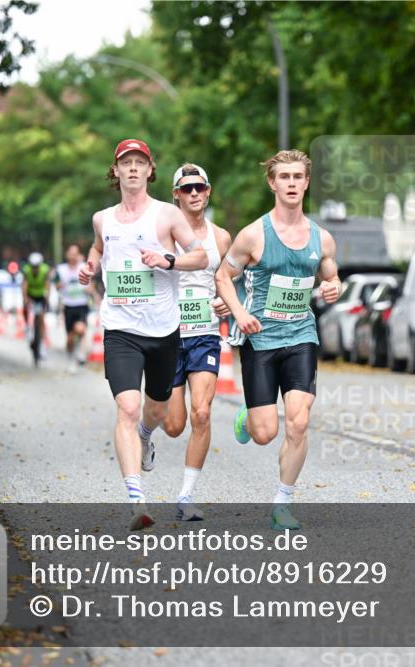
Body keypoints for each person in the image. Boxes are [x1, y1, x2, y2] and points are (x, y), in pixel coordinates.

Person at [78, 138, 207, 531]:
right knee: (127, 409)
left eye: (140, 163)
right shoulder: (103, 218)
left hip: (164, 329)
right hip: (120, 328)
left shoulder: (167, 215)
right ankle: (137, 500)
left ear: (150, 171)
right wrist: (90, 265)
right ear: (115, 172)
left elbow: (200, 255)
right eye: (125, 163)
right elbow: (99, 248)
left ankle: (146, 437)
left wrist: (167, 259)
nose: (132, 169)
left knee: (154, 411)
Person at [213, 149, 341, 531]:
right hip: (260, 340)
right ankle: (249, 417)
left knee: (298, 423)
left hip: (302, 335)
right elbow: (223, 277)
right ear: (272, 182)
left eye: (297, 177)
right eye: (283, 177)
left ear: (306, 182)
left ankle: (282, 503)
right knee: (266, 432)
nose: (290, 183)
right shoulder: (254, 235)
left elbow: (332, 277)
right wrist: (239, 313)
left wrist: (334, 287)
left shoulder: (322, 238)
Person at [155, 163, 231, 522]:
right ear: (176, 195)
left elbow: (226, 280)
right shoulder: (162, 235)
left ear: (209, 191)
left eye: (200, 187)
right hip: (169, 335)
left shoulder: (222, 238)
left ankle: (186, 496)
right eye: (187, 189)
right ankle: (142, 431)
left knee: (202, 413)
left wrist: (224, 302)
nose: (194, 193)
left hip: (204, 334)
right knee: (172, 426)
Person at [55, 243, 92, 373]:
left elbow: (91, 284)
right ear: (67, 255)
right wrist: (60, 285)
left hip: (81, 304)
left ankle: (80, 352)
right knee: (70, 338)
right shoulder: (61, 269)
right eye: (71, 253)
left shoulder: (83, 267)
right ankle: (71, 359)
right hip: (68, 306)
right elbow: (56, 285)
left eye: (76, 253)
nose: (73, 256)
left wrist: (89, 289)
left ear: (79, 255)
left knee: (81, 330)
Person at [22, 252, 51, 366]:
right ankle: (28, 328)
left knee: (41, 319)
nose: (34, 269)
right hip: (30, 295)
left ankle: (42, 344)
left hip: (40, 296)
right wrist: (25, 299)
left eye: (36, 267)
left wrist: (47, 298)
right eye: (33, 267)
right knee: (25, 311)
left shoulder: (45, 270)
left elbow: (47, 285)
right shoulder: (26, 270)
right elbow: (24, 285)